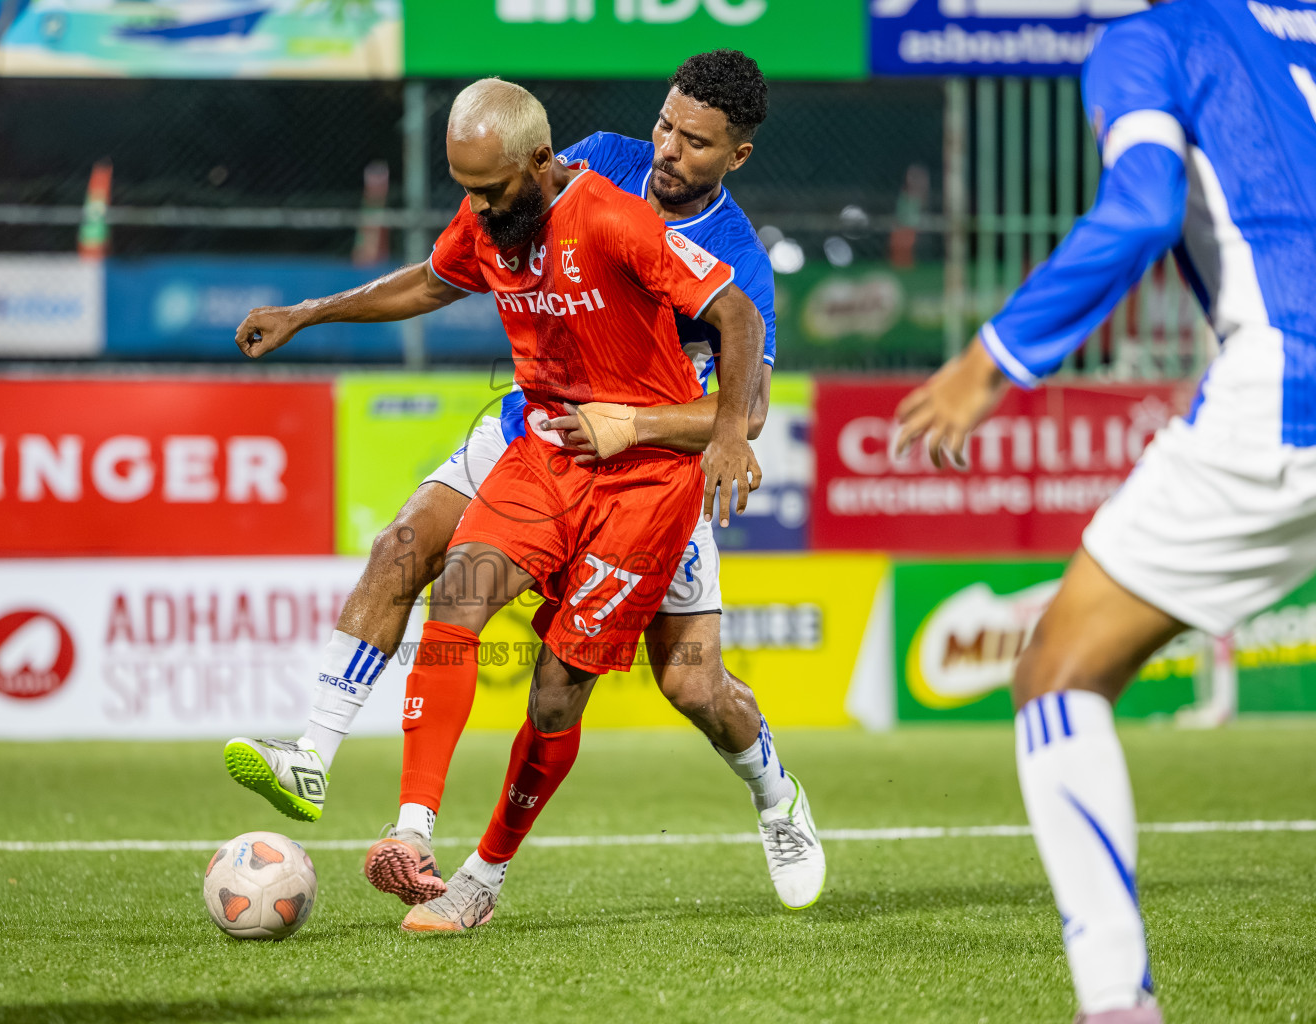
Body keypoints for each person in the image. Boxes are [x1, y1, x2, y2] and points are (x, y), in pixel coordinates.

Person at [225, 51, 826, 918]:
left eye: (695, 143)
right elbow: (460, 260)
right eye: (665, 124)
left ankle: (776, 796)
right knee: (412, 553)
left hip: (647, 472)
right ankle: (324, 761)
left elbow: (743, 407)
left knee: (690, 686)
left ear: (736, 156)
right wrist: (311, 311)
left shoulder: (733, 259)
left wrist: (671, 427)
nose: (667, 150)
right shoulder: (592, 164)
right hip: (537, 433)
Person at [894, 1, 1316, 1020]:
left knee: (1057, 674)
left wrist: (992, 359)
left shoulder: (1152, 39)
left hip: (1289, 383)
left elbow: (1139, 208)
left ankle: (1115, 999)